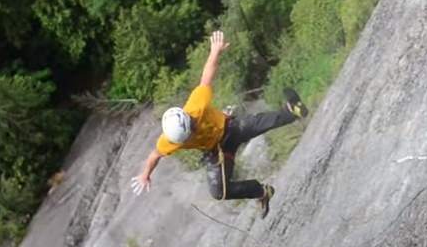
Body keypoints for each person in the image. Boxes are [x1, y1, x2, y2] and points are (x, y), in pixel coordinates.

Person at [130, 30, 308, 218]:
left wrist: (215, 51)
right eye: (189, 134)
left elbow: (206, 76)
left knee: (257, 124)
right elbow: (154, 155)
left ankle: (292, 111)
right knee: (219, 192)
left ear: (187, 117)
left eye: (191, 126)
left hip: (229, 128)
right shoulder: (170, 141)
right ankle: (262, 192)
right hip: (215, 150)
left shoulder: (195, 106)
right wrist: (145, 174)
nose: (193, 130)